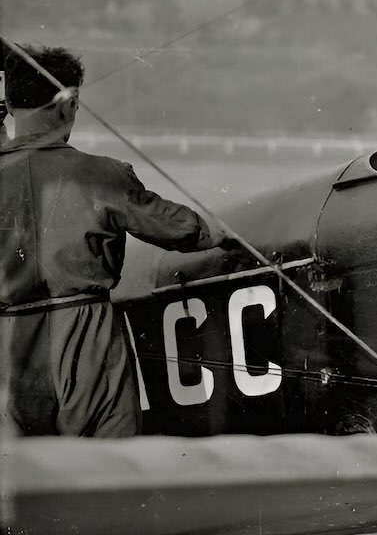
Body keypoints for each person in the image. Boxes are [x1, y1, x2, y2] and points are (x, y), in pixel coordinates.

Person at [1, 44, 231, 437]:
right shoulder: (101, 174)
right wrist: (224, 233)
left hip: (7, 346)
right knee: (105, 461)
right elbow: (179, 228)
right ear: (67, 103)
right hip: (85, 334)